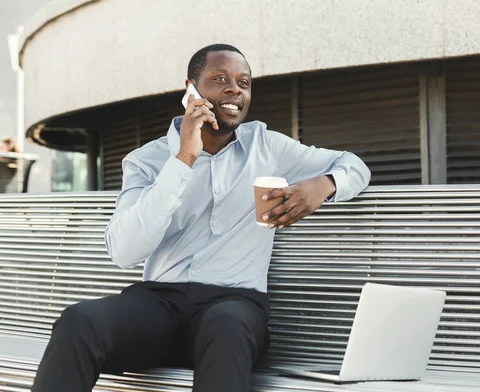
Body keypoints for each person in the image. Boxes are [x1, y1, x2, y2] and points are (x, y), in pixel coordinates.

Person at [31, 43, 370, 392]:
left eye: (244, 82)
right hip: (158, 305)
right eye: (220, 79)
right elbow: (124, 252)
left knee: (227, 324)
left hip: (233, 307)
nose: (234, 90)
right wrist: (182, 160)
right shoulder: (146, 160)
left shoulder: (267, 146)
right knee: (79, 321)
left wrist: (325, 184)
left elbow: (354, 165)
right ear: (191, 88)